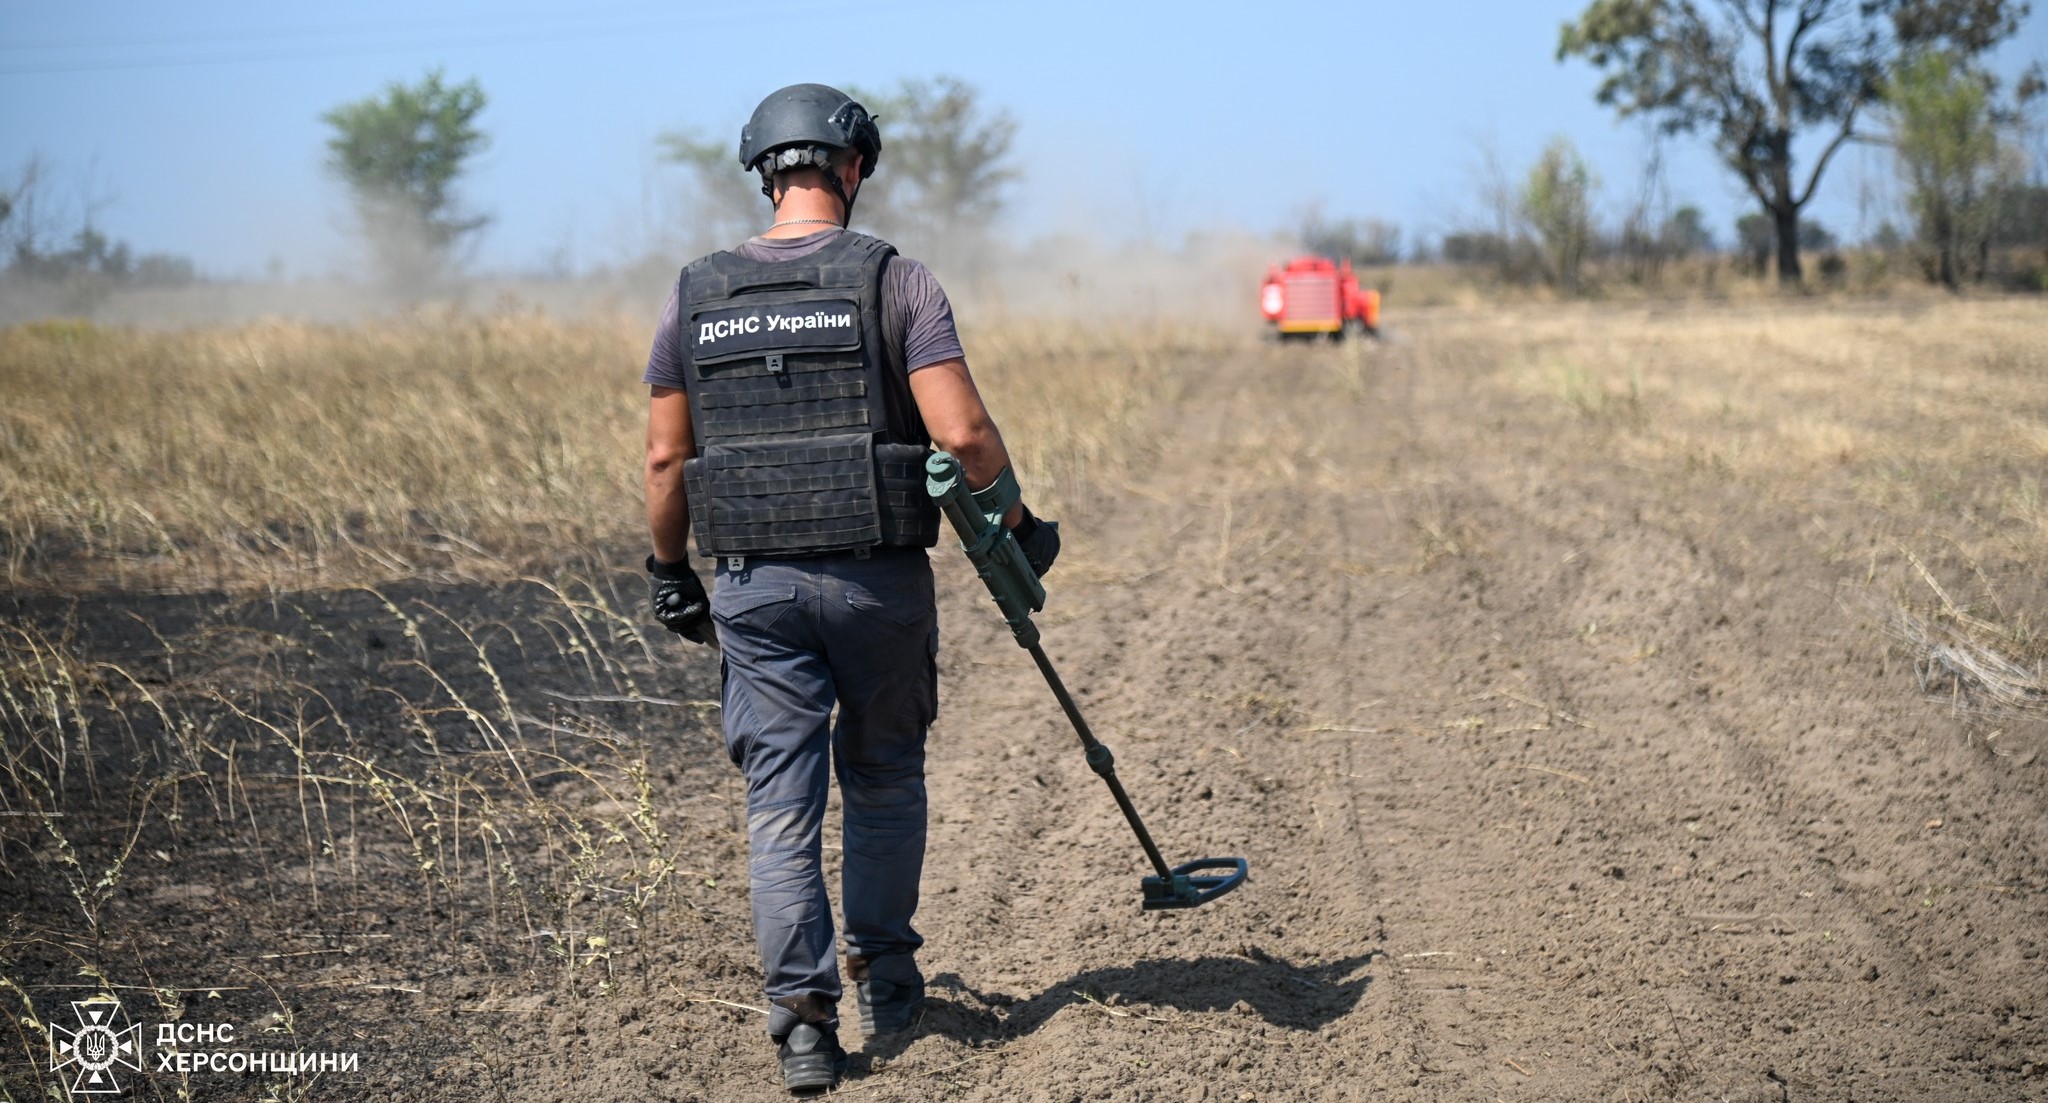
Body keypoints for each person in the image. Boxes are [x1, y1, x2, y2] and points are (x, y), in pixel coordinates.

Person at [639, 83, 1059, 1094]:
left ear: (763, 174)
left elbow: (664, 461)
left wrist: (669, 572)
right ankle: (891, 977)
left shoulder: (692, 294)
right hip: (878, 586)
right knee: (880, 778)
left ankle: (802, 1025)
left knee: (780, 805)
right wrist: (1017, 522)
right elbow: (959, 433)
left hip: (753, 588)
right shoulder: (894, 282)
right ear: (853, 168)